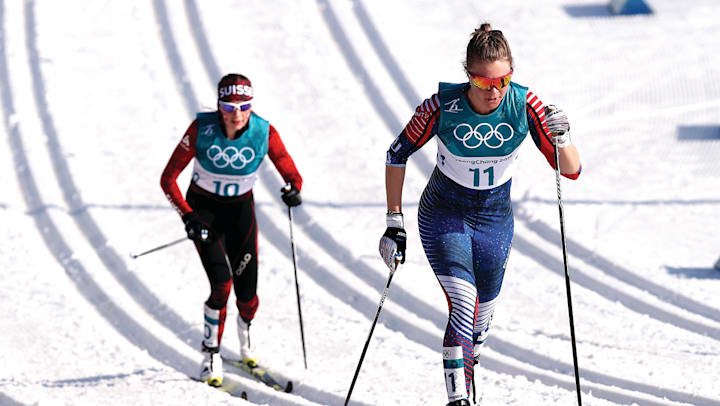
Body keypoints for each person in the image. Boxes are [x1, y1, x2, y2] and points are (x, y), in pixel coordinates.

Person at [379, 24, 581, 406]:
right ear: (467, 75)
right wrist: (394, 221)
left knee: (480, 318)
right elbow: (396, 153)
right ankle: (458, 400)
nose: (495, 91)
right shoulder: (440, 107)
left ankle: (467, 374)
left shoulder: (525, 105)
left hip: (495, 221)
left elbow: (570, 170)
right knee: (462, 301)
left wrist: (564, 136)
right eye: (484, 81)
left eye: (503, 80)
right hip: (444, 214)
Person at [160, 73, 303, 387]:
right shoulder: (201, 130)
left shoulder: (264, 132)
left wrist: (293, 188)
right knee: (221, 286)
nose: (236, 114)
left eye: (244, 106)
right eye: (228, 106)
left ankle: (246, 347)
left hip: (240, 214)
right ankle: (210, 354)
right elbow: (167, 179)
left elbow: (290, 171)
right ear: (218, 105)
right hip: (204, 215)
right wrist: (188, 217)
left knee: (248, 295)